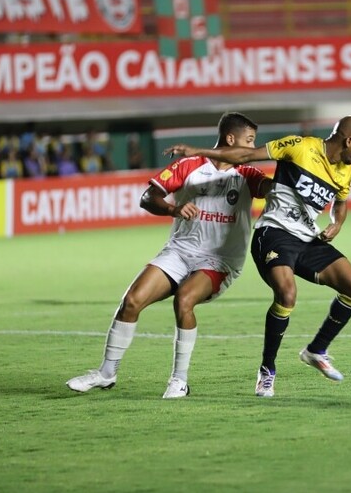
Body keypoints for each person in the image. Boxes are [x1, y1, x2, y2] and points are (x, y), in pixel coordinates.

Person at [66, 112, 272, 399]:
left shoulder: (248, 174)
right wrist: (173, 209)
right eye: (249, 141)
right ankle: (106, 374)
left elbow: (272, 190)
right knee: (132, 301)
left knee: (184, 299)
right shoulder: (188, 166)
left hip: (219, 260)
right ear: (230, 139)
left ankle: (179, 380)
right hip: (180, 251)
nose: (252, 148)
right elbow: (148, 198)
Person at [164, 115, 351, 398]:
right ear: (348, 141)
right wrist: (199, 151)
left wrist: (337, 222)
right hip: (273, 233)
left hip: (307, 238)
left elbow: (341, 203)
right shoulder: (299, 147)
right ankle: (267, 371)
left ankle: (316, 350)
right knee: (287, 294)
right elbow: (247, 154)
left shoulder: (345, 170)